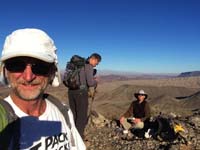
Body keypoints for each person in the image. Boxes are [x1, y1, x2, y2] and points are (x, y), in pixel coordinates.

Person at [0, 28, 85, 149]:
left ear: (52, 72)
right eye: (16, 65)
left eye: (40, 66)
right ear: (5, 71)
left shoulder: (63, 111)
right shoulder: (3, 124)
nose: (28, 77)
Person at [67, 53, 101, 138]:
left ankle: (71, 134)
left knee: (74, 114)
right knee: (81, 116)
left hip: (71, 91)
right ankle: (78, 138)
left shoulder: (78, 65)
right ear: (94, 59)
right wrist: (96, 81)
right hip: (81, 93)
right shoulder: (88, 66)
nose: (95, 65)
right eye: (97, 63)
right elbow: (90, 83)